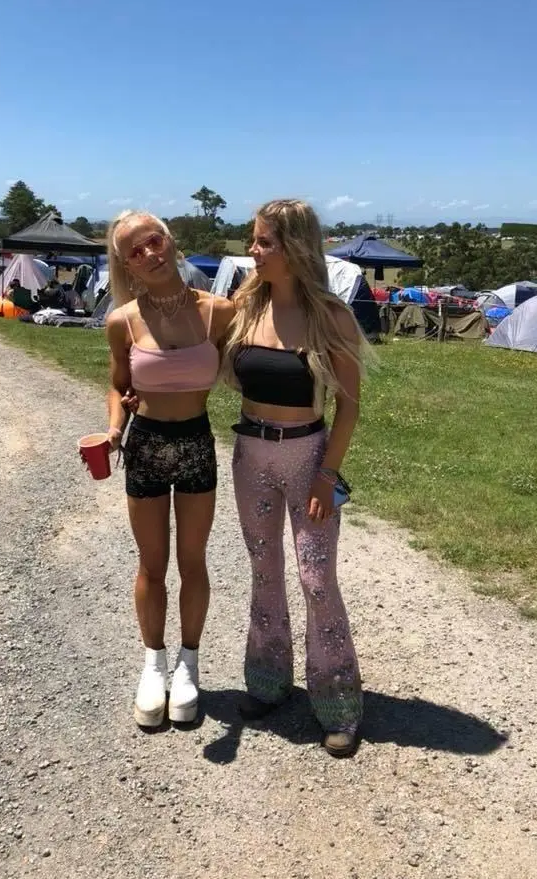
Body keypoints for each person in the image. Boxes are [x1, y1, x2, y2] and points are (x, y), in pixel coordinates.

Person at [221, 199, 369, 757]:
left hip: (308, 457)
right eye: (254, 240)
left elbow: (349, 406)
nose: (253, 251)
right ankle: (267, 681)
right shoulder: (244, 307)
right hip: (250, 455)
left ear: (296, 248)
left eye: (264, 242)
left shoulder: (331, 317)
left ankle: (338, 701)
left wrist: (327, 474)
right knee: (264, 571)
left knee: (316, 580)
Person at [105, 210, 234, 728]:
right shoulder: (122, 321)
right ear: (127, 266)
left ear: (170, 240)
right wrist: (114, 427)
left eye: (153, 241)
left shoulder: (218, 312)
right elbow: (118, 384)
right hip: (146, 446)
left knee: (193, 561)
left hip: (196, 443)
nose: (149, 254)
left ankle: (189, 665)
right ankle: (153, 664)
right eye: (134, 252)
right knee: (151, 565)